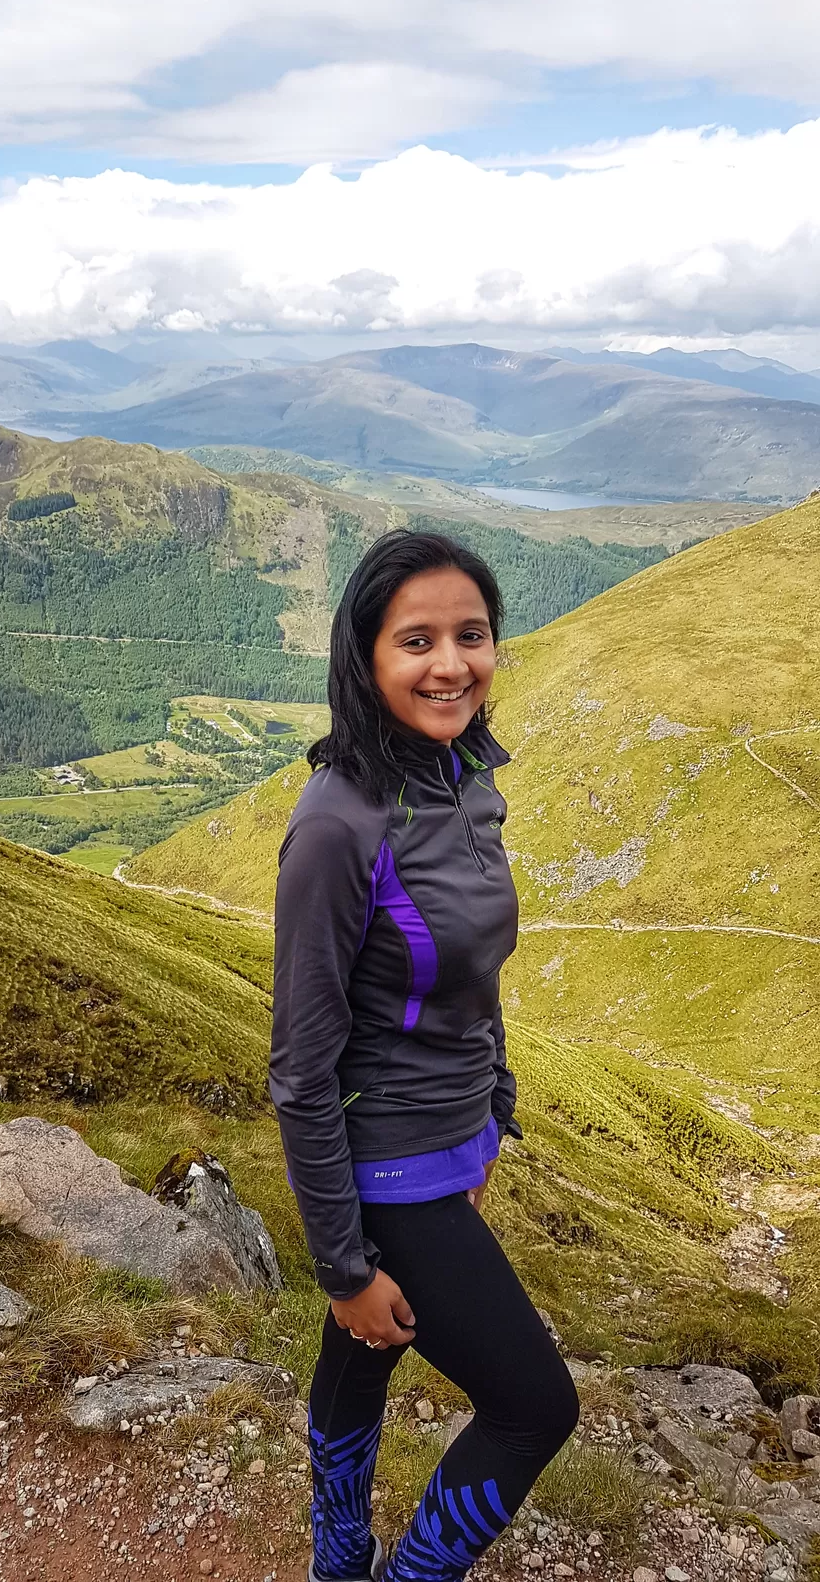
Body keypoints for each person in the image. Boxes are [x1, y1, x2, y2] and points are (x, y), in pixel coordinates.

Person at [269, 530, 580, 1582]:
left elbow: (471, 971)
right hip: (385, 1163)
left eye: (471, 634)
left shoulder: (463, 779)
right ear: (365, 657)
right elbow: (301, 1070)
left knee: (366, 1356)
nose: (451, 663)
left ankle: (338, 1561)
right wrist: (344, 1265)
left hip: (452, 1139)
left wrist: (493, 1113)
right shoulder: (338, 824)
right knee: (535, 1406)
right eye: (417, 640)